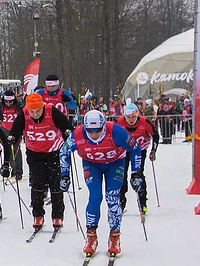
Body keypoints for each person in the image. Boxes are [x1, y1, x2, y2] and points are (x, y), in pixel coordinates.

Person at [60, 109, 143, 256]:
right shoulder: (78, 134)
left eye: (98, 130)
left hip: (115, 163)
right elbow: (64, 151)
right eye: (90, 131)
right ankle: (91, 236)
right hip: (92, 165)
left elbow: (135, 148)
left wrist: (136, 173)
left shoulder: (115, 131)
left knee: (112, 196)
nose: (94, 134)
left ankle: (115, 236)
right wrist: (65, 175)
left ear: (103, 126)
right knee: (95, 196)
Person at [10, 92, 73, 232]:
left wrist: (67, 132)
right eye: (32, 111)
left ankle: (57, 216)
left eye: (38, 111)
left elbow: (66, 125)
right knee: (37, 183)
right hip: (34, 152)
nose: (35, 114)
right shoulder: (24, 113)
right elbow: (16, 130)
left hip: (54, 152)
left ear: (42, 107)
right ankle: (38, 215)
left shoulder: (51, 111)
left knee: (55, 183)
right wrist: (13, 137)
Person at [115, 101, 158, 213]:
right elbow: (111, 136)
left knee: (138, 174)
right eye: (128, 117)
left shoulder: (144, 121)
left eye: (133, 117)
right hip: (124, 151)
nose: (131, 120)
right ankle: (121, 202)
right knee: (122, 175)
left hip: (139, 151)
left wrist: (153, 151)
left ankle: (143, 202)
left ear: (137, 115)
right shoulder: (119, 122)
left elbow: (155, 135)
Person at [0, 91, 24, 181]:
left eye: (10, 102)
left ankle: (18, 172)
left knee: (16, 150)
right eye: (6, 101)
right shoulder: (0, 106)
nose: (8, 104)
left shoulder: (18, 106)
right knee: (8, 151)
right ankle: (12, 170)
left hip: (16, 130)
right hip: (4, 130)